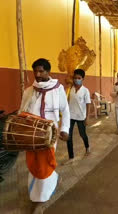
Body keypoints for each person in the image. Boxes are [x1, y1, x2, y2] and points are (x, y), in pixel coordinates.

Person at [18, 58, 70, 204]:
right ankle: (37, 192)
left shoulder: (58, 89)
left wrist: (65, 129)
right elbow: (22, 111)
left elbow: (65, 111)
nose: (38, 74)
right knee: (33, 162)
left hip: (49, 134)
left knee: (45, 162)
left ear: (48, 72)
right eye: (35, 71)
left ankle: (42, 198)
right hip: (31, 134)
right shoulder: (29, 91)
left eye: (41, 71)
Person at [65, 69, 91, 165]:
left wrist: (87, 117)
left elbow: (88, 104)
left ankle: (87, 147)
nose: (76, 80)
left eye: (79, 78)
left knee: (82, 134)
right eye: (75, 78)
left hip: (81, 116)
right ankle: (71, 157)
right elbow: (65, 100)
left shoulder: (85, 90)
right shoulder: (70, 89)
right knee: (69, 137)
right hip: (70, 116)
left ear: (83, 79)